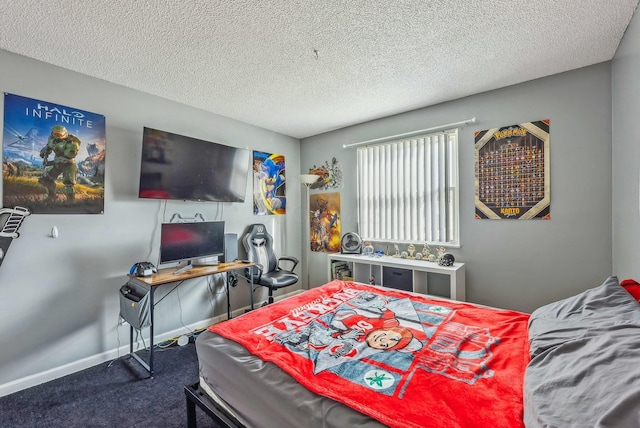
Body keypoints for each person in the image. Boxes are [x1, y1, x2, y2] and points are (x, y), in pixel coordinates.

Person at [38, 125, 81, 202]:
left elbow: (66, 159)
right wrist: (44, 152)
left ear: (65, 133)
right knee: (47, 179)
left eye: (60, 134)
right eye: (56, 133)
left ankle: (71, 202)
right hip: (57, 163)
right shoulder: (52, 138)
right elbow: (49, 146)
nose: (57, 136)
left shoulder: (73, 143)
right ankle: (51, 196)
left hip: (69, 164)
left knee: (68, 184)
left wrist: (49, 163)